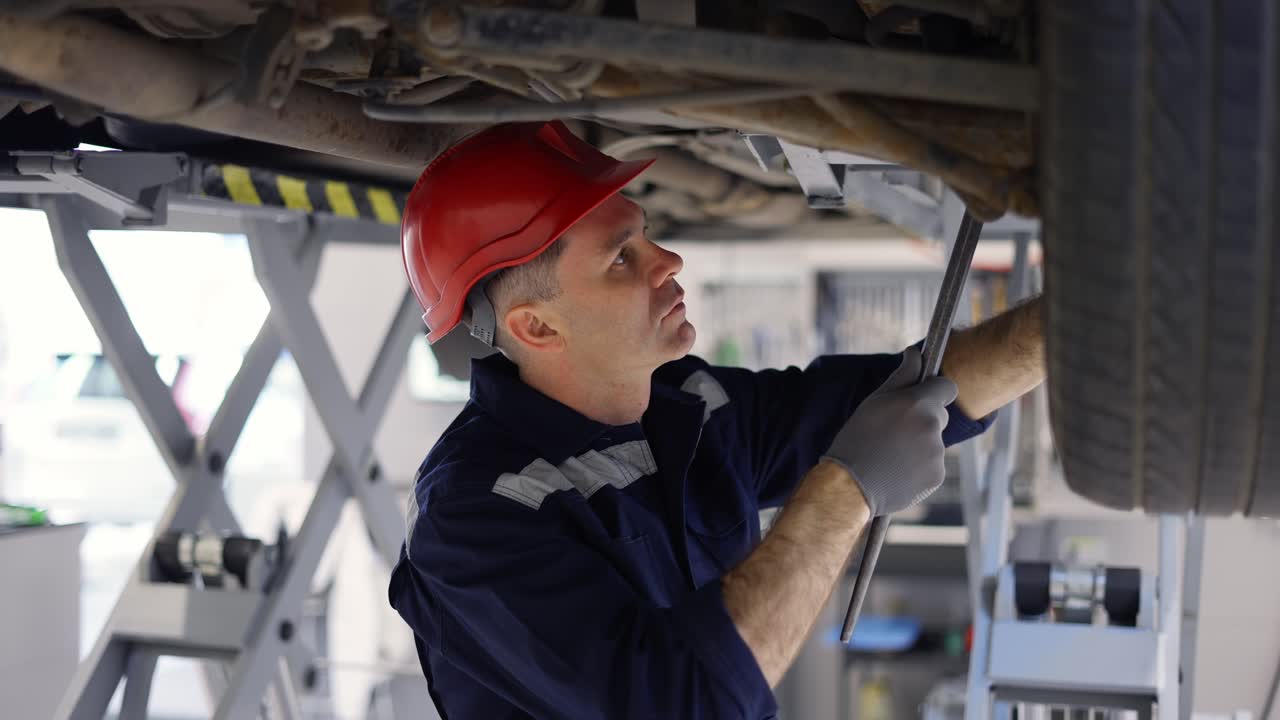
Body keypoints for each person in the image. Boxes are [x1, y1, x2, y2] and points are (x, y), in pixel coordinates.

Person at [389, 120, 1044, 719]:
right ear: (536, 326)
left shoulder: (686, 402)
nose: (667, 261)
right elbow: (686, 704)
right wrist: (846, 489)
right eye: (622, 257)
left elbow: (917, 388)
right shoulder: (471, 515)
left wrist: (1086, 330)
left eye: (644, 234)